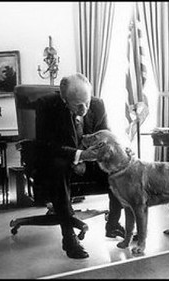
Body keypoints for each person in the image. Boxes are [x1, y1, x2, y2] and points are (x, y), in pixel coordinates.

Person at [35, 73, 124, 259]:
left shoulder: (98, 104)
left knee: (119, 168)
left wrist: (122, 152)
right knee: (58, 167)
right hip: (61, 161)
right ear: (63, 98)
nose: (84, 108)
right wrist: (79, 155)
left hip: (91, 162)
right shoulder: (46, 105)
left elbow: (106, 136)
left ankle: (113, 224)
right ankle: (68, 236)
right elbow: (46, 146)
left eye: (87, 102)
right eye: (77, 104)